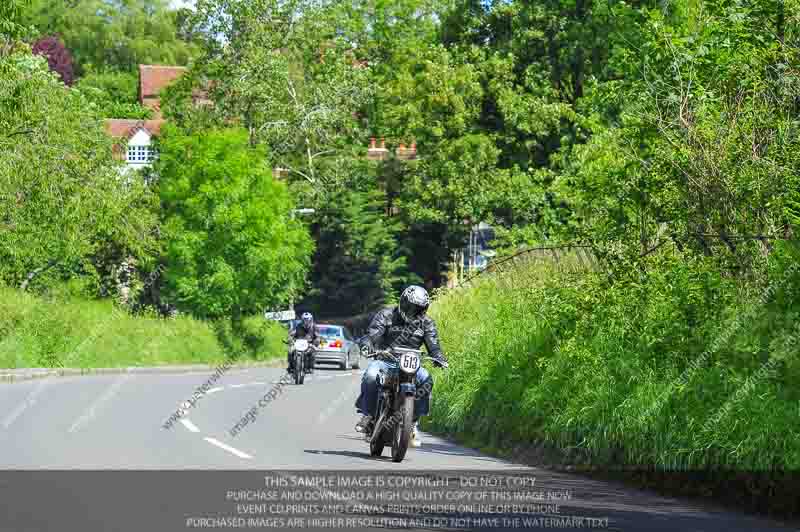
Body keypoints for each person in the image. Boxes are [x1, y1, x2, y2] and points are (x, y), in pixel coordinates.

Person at [355, 285, 448, 448]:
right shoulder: (386, 315)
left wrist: (439, 358)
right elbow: (371, 335)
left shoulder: (427, 323)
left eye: (418, 309)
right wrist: (368, 346)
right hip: (386, 361)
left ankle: (412, 423)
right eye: (410, 307)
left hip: (412, 364)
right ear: (403, 302)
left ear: (424, 309)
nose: (413, 311)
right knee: (370, 375)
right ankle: (368, 414)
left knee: (426, 380)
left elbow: (434, 346)